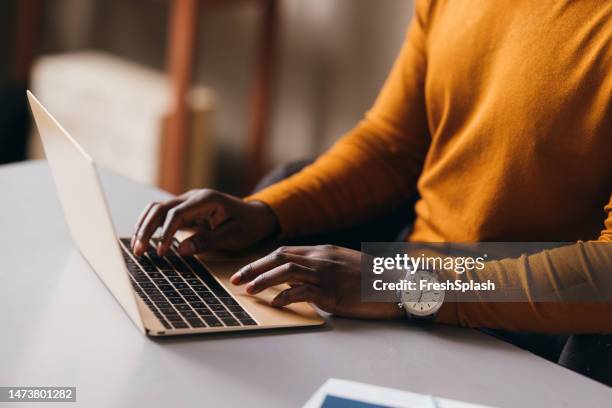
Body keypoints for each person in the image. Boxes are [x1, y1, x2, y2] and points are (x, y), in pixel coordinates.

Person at [132, 1, 611, 384]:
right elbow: (392, 146)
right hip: (405, 276)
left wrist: (402, 284)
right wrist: (265, 212)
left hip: (529, 324)